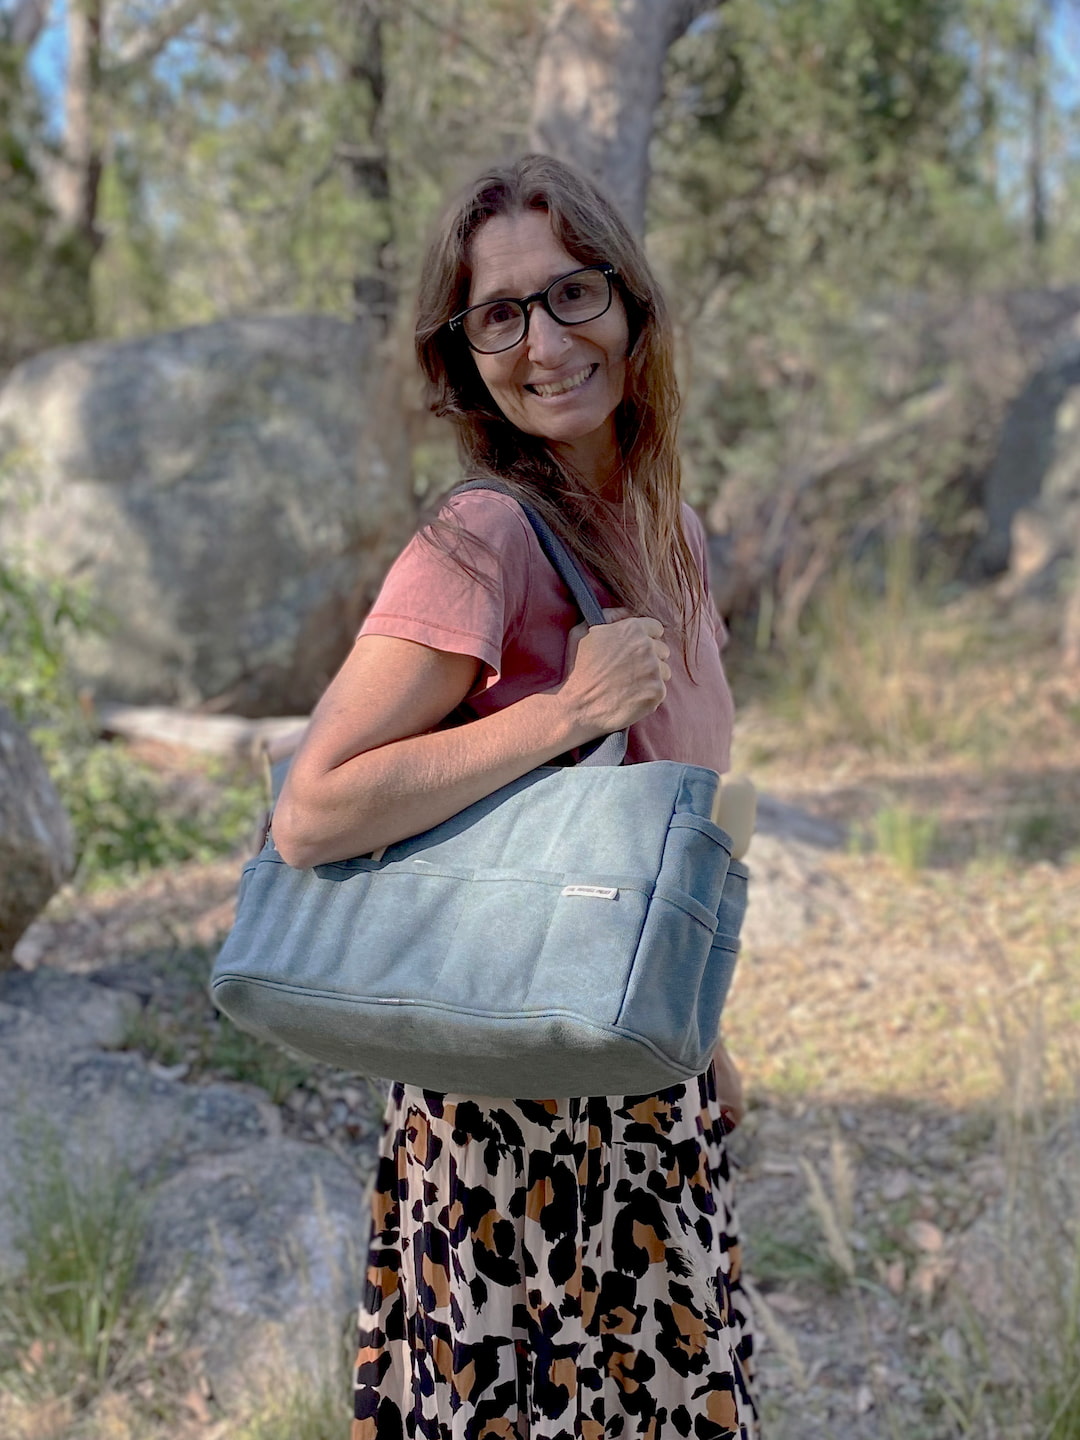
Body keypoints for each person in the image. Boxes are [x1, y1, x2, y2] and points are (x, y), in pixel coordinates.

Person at [272, 153, 757, 1440]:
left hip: (647, 1092)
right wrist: (561, 714)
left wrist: (704, 1028)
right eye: (500, 314)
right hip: (511, 1124)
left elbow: (669, 819)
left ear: (632, 308)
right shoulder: (480, 540)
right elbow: (312, 813)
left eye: (572, 295)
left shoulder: (676, 534)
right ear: (465, 353)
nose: (544, 342)